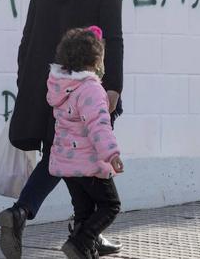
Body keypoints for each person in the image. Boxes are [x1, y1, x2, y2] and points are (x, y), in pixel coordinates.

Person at [0, 0, 127, 259]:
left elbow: (28, 33)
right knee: (76, 154)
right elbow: (113, 39)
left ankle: (81, 233)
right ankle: (31, 214)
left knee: (63, 154)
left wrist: (24, 79)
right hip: (85, 87)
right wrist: (113, 86)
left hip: (44, 83)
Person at [47, 27, 123, 259]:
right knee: (110, 205)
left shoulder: (61, 87)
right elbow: (98, 126)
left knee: (83, 210)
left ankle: (85, 248)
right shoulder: (91, 89)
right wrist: (112, 154)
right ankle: (81, 242)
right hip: (90, 163)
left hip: (67, 165)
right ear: (95, 60)